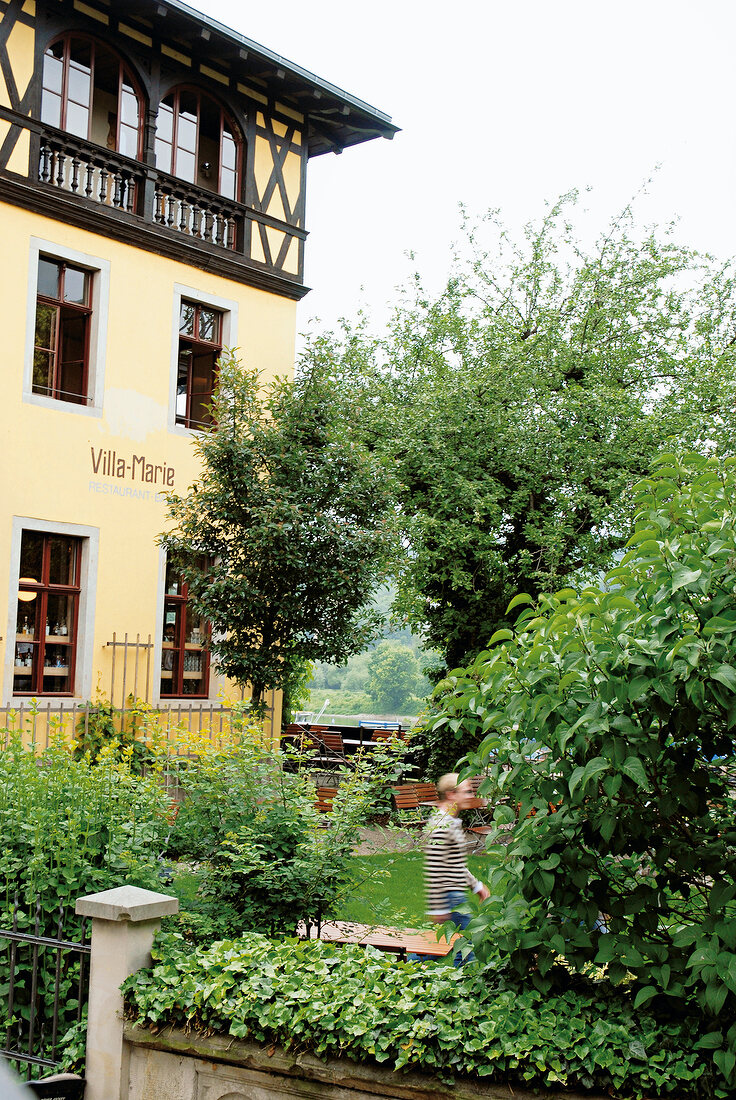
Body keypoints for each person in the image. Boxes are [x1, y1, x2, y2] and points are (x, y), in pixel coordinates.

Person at [423, 773, 490, 963]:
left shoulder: (450, 821)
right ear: (452, 795)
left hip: (455, 894)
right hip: (450, 896)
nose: (471, 795)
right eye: (467, 791)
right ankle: (406, 967)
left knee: (459, 943)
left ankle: (405, 967)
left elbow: (455, 863)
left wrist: (477, 887)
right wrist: (438, 907)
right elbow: (434, 868)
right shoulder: (442, 825)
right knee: (466, 944)